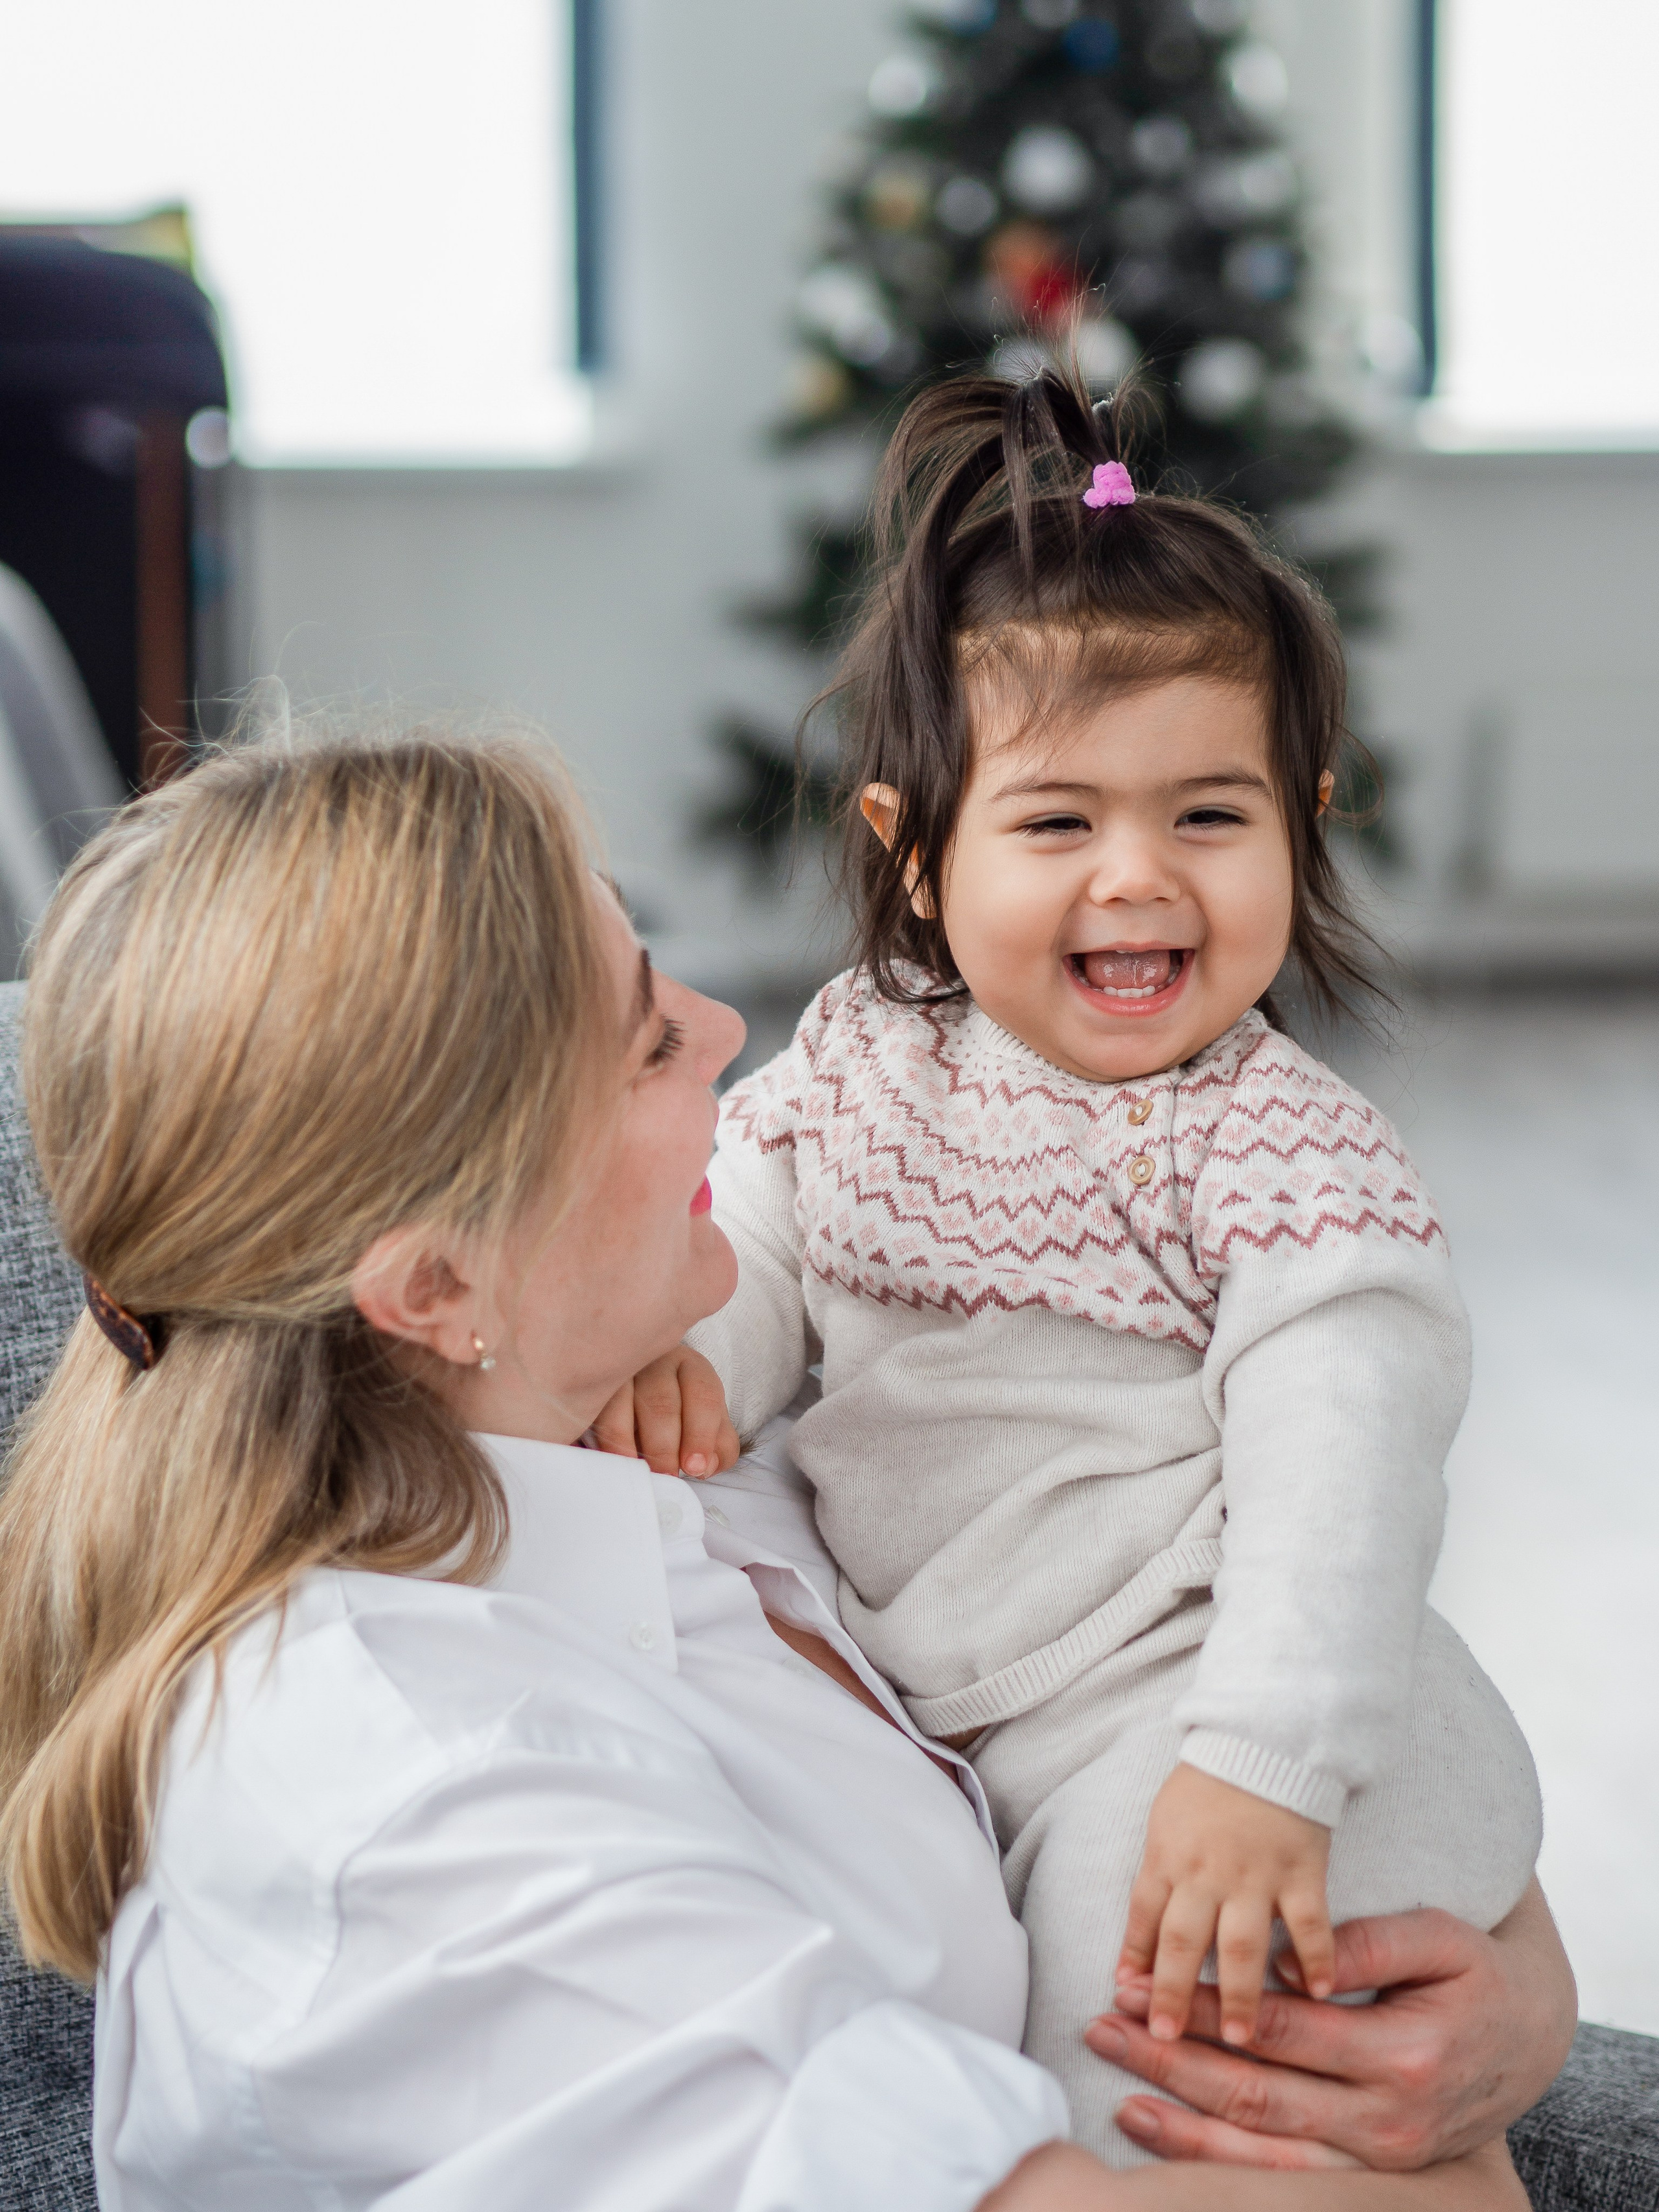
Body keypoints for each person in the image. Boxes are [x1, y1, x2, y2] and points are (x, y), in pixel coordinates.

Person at [0, 716, 1568, 2210]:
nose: (733, 1032)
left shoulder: (680, 1449)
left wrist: (1514, 2010)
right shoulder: (425, 1812)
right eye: (639, 1042)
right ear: (437, 1285)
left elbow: (1199, 1662)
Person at [658, 368, 1542, 2161]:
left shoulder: (1276, 1151)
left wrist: (1262, 1763)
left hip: (1232, 1718)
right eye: (1058, 823)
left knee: (1131, 2087)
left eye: (1210, 818)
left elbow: (1344, 1468)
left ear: (1302, 818)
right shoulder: (854, 1066)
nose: (1138, 878)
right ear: (916, 856)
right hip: (1030, 1737)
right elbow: (752, 1236)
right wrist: (698, 1368)